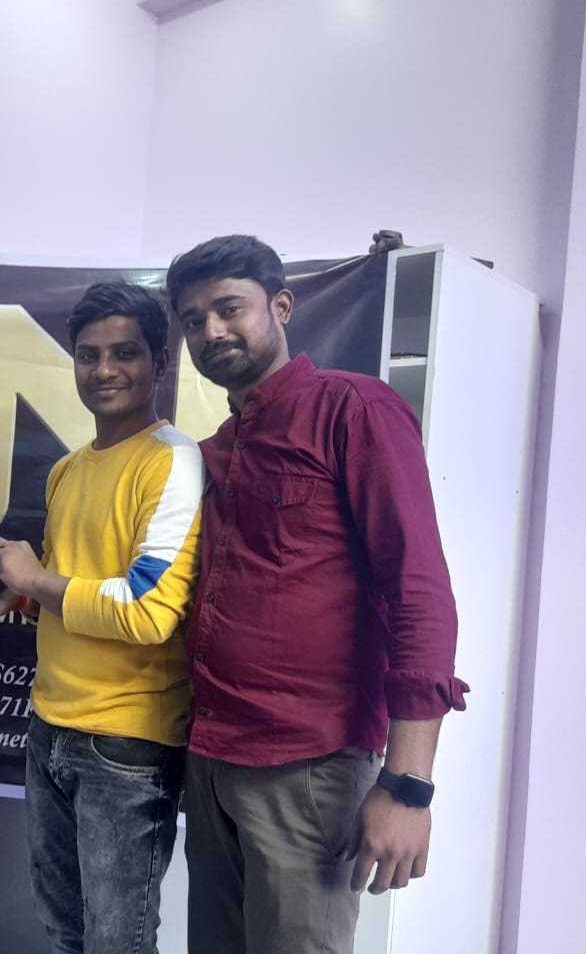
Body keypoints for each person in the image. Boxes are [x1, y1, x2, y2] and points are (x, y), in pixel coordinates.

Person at [166, 235, 469, 954]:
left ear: (281, 306)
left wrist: (409, 784)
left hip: (307, 766)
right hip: (209, 757)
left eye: (229, 308)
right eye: (193, 320)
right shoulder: (214, 449)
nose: (211, 331)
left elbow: (419, 590)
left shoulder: (352, 410)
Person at [0, 281, 203, 954]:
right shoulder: (67, 470)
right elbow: (76, 582)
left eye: (125, 353)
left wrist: (35, 578)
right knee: (65, 932)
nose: (104, 369)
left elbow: (147, 611)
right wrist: (16, 596)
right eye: (88, 355)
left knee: (117, 943)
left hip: (127, 746)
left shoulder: (174, 461)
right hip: (51, 727)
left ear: (160, 362)